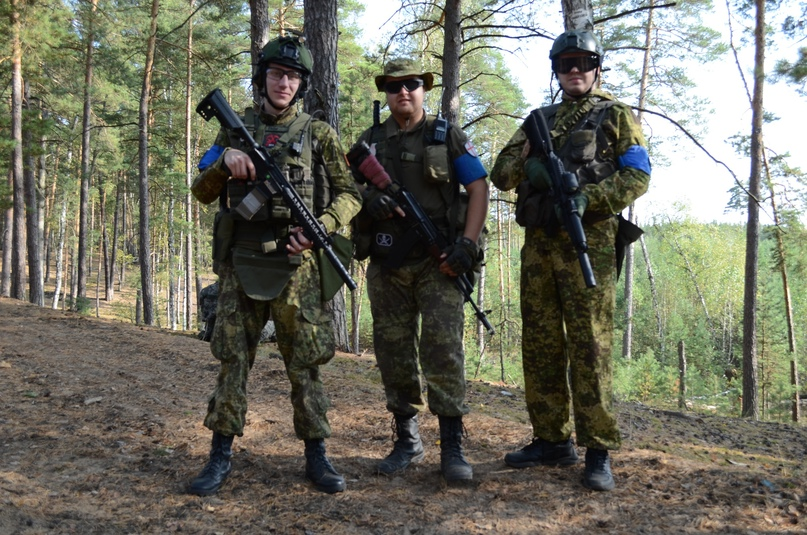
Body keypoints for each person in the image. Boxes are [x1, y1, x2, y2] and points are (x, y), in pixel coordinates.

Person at [188, 34, 362, 495]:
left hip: (296, 265)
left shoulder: (320, 134)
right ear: (262, 77)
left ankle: (317, 455)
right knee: (232, 361)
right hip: (242, 261)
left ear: (301, 84)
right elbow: (201, 191)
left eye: (293, 77)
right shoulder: (231, 130)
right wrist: (224, 161)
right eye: (276, 74)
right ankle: (220, 455)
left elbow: (351, 195)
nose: (284, 83)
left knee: (305, 364)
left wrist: (320, 227)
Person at [490, 30, 651, 491]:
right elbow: (501, 173)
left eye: (582, 62)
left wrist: (590, 198)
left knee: (590, 346)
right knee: (540, 344)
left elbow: (639, 174)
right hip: (540, 246)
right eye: (565, 64)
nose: (574, 70)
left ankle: (598, 448)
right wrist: (532, 165)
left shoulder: (615, 115)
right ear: (556, 71)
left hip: (591, 243)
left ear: (596, 67)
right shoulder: (538, 119)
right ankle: (551, 439)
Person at [349, 58, 489, 484]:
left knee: (443, 350)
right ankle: (407, 440)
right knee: (393, 352)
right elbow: (343, 187)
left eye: (411, 84)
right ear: (386, 93)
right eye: (394, 87)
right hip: (388, 262)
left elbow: (479, 187)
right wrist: (367, 200)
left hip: (438, 262)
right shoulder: (369, 142)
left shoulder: (446, 136)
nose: (403, 92)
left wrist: (466, 244)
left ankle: (452, 448)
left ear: (423, 88)